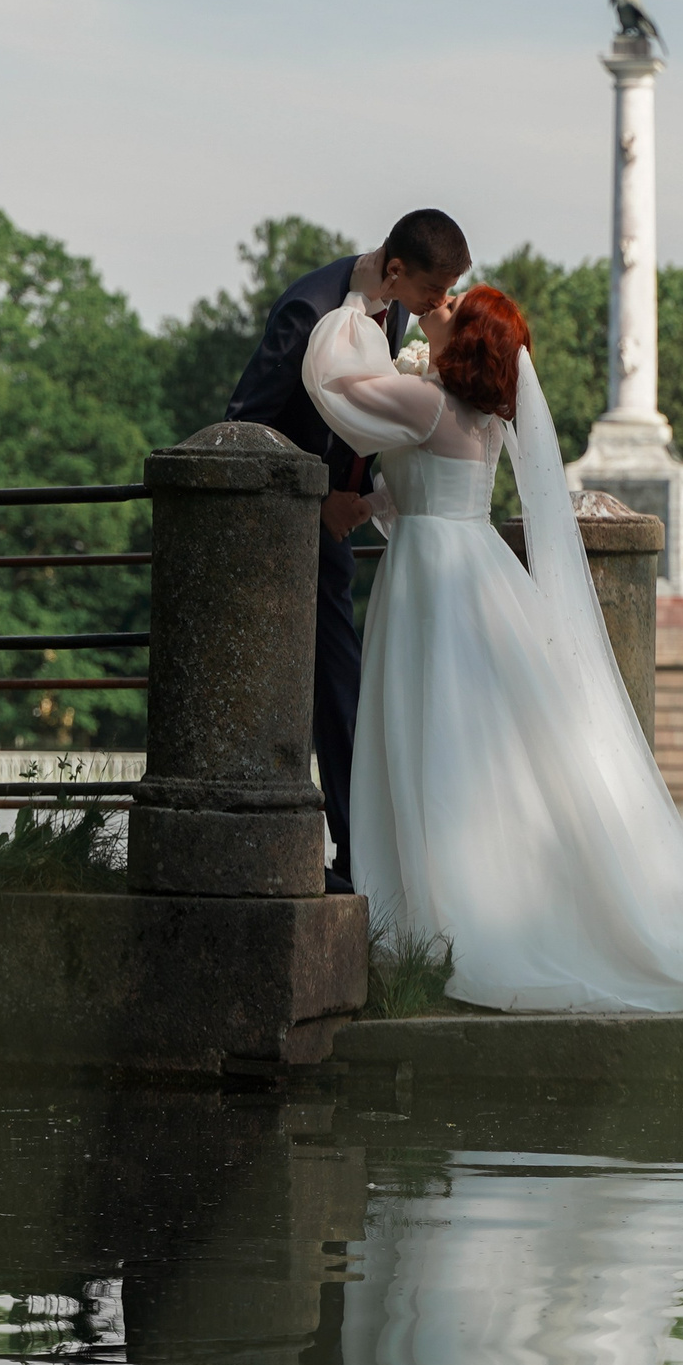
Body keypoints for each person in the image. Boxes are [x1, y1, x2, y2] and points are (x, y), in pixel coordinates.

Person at [303, 283, 683, 1013]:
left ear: (465, 342)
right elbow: (417, 485)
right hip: (465, 572)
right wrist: (364, 505)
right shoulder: (478, 418)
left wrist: (356, 304)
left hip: (435, 582)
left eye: (456, 306)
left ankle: (440, 917)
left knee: (433, 736)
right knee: (464, 742)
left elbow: (337, 387)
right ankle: (454, 905)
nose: (446, 301)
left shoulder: (427, 402)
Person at [223, 211, 470, 892]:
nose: (440, 302)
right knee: (336, 684)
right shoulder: (309, 308)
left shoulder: (395, 306)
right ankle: (357, 857)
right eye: (434, 289)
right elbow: (244, 424)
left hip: (340, 528)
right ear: (397, 271)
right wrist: (317, 499)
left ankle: (361, 855)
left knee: (344, 685)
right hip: (286, 529)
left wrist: (357, 497)